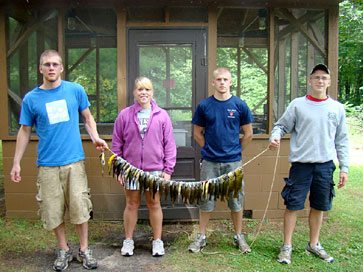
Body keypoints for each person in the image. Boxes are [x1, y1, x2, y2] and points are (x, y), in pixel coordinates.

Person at [10, 49, 108, 271]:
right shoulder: (31, 99)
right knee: (52, 211)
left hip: (74, 161)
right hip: (47, 165)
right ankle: (63, 249)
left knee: (80, 208)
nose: (51, 68)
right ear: (41, 69)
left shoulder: (75, 90)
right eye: (47, 65)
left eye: (55, 64)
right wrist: (16, 162)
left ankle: (84, 249)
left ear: (62, 67)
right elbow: (25, 131)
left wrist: (95, 138)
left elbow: (87, 118)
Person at [269, 64, 349, 265]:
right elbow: (281, 126)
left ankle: (314, 244)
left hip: (325, 166)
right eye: (316, 77)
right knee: (293, 205)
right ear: (310, 81)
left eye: (324, 78)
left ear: (329, 82)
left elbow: (342, 140)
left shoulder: (337, 109)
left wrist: (344, 167)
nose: (320, 81)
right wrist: (275, 137)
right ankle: (287, 246)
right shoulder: (297, 105)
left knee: (319, 206)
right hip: (301, 166)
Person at [188, 67, 254, 253]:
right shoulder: (204, 106)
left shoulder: (240, 105)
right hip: (210, 162)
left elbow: (248, 134)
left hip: (233, 163)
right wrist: (209, 149)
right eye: (219, 79)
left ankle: (239, 236)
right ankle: (201, 236)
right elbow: (197, 133)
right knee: (206, 199)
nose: (222, 82)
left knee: (236, 200)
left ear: (230, 82)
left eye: (225, 79)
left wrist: (235, 152)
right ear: (213, 82)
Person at [111, 76, 176, 257]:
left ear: (152, 92)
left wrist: (167, 170)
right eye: (140, 89)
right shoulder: (124, 115)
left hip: (155, 169)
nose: (143, 93)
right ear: (134, 92)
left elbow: (169, 145)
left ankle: (157, 241)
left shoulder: (162, 116)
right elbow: (116, 146)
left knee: (154, 204)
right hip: (131, 170)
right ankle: (128, 241)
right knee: (131, 204)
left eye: (147, 89)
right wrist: (118, 169)